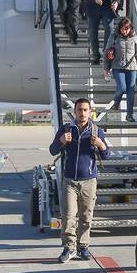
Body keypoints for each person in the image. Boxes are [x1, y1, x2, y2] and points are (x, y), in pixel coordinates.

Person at [50, 98, 107, 263]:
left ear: (90, 112)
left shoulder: (97, 131)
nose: (82, 113)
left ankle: (83, 246)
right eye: (79, 110)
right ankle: (69, 247)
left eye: (85, 110)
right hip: (70, 181)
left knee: (86, 216)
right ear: (75, 112)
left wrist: (101, 145)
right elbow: (52, 150)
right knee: (68, 215)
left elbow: (107, 155)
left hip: (89, 181)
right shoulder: (66, 129)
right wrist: (61, 141)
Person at [106, 17, 137, 121]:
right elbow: (107, 52)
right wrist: (106, 68)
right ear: (119, 28)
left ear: (130, 28)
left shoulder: (135, 38)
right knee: (122, 88)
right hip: (117, 66)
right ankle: (116, 101)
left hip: (132, 67)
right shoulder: (114, 37)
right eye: (123, 29)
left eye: (127, 29)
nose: (125, 31)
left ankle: (129, 115)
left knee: (130, 90)